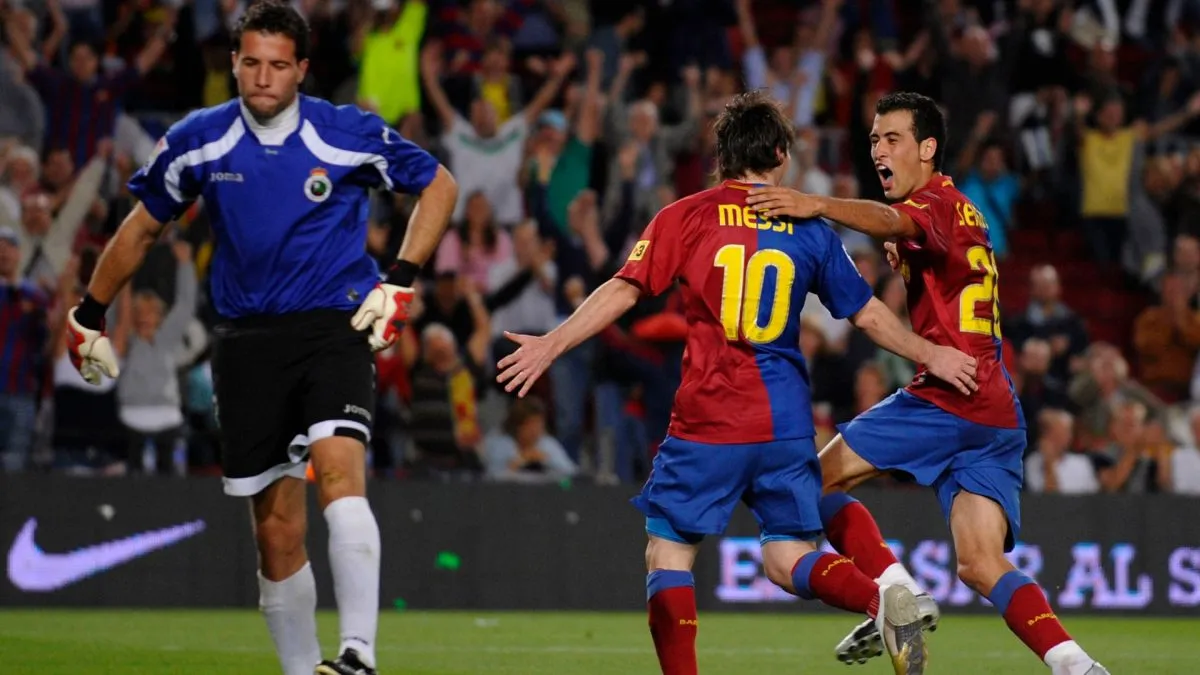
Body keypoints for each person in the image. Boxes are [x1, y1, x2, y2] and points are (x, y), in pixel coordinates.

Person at [495, 90, 983, 675]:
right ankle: (883, 599)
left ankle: (869, 606)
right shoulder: (808, 228)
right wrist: (932, 351)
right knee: (786, 558)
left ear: (723, 154)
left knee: (668, 554)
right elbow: (869, 315)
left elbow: (624, 289)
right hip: (783, 424)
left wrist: (553, 341)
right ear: (779, 155)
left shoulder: (686, 216)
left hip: (709, 418)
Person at [63, 3, 458, 674]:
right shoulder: (199, 140)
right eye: (251, 62)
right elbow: (140, 228)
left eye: (279, 65)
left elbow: (439, 185)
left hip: (334, 325)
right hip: (246, 341)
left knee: (339, 472)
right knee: (277, 533)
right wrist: (88, 313)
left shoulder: (344, 132)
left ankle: (359, 654)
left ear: (302, 69)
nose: (263, 77)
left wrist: (401, 279)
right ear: (235, 63)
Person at [744, 91, 1109, 675]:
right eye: (873, 140)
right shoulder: (961, 210)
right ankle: (1076, 664)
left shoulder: (933, 202)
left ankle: (893, 593)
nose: (879, 150)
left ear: (928, 148)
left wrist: (813, 203)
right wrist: (905, 251)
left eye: (892, 139)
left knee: (813, 482)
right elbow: (921, 242)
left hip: (947, 394)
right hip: (993, 408)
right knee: (981, 564)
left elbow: (895, 220)